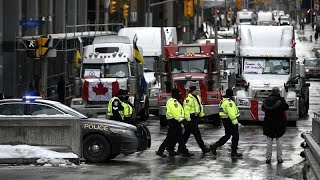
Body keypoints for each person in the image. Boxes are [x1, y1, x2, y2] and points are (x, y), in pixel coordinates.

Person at [156, 88, 191, 158]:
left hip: (175, 122)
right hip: (174, 122)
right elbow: (176, 113)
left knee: (176, 138)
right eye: (178, 93)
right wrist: (183, 121)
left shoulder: (174, 101)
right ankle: (161, 151)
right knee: (172, 138)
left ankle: (172, 150)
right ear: (175, 94)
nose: (180, 95)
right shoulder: (173, 102)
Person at [210, 89, 243, 158]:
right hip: (230, 121)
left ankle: (215, 145)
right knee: (235, 136)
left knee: (227, 136)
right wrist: (235, 122)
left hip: (226, 121)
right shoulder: (229, 102)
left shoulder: (223, 101)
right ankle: (234, 152)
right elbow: (231, 113)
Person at [178, 86, 211, 154]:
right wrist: (188, 120)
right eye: (195, 90)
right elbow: (186, 110)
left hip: (195, 118)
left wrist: (202, 115)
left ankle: (180, 148)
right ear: (192, 91)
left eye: (197, 90)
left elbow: (199, 107)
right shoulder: (188, 99)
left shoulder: (197, 97)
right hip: (191, 119)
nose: (197, 91)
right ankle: (203, 148)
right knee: (197, 134)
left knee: (186, 135)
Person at [262, 87, 289, 164]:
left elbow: (263, 108)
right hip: (279, 122)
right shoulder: (281, 100)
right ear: (278, 92)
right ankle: (279, 158)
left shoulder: (267, 100)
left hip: (269, 122)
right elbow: (286, 107)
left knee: (269, 139)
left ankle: (268, 158)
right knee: (279, 140)